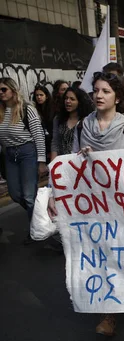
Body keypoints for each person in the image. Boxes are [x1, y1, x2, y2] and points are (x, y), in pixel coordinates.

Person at [48, 72, 124, 337]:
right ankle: (109, 313)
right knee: (102, 254)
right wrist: (56, 193)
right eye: (96, 91)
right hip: (92, 203)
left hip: (122, 203)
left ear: (117, 97)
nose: (99, 96)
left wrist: (103, 159)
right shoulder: (82, 126)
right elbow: (73, 166)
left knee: (121, 254)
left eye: (106, 91)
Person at [0, 78, 47, 243]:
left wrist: (41, 161)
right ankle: (42, 216)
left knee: (28, 195)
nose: (1, 93)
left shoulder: (26, 109)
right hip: (9, 154)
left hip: (27, 151)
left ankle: (37, 229)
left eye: (4, 89)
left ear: (13, 90)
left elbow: (39, 136)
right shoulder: (0, 110)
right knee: (14, 193)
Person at [50, 87, 95, 159]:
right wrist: (53, 164)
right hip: (62, 161)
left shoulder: (86, 121)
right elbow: (55, 143)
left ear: (79, 102)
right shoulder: (58, 119)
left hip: (79, 162)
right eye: (66, 98)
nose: (68, 101)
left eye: (72, 99)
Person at [32, 85, 55, 162]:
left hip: (51, 144)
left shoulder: (53, 110)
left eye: (41, 95)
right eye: (37, 95)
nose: (39, 97)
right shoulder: (34, 110)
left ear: (47, 96)